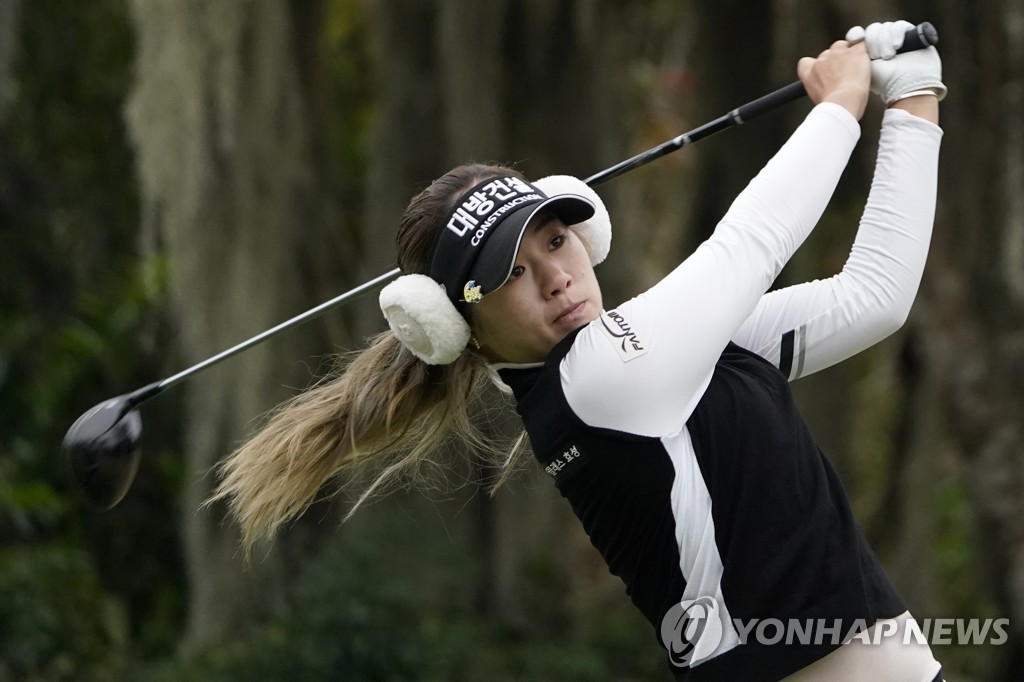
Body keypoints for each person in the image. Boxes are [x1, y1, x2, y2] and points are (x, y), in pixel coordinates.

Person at [210, 20, 946, 682]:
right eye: (512, 275)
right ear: (458, 326)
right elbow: (750, 243)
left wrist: (913, 92)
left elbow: (871, 298)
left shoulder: (656, 365)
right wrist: (840, 105)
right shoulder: (602, 381)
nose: (557, 277)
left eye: (556, 241)